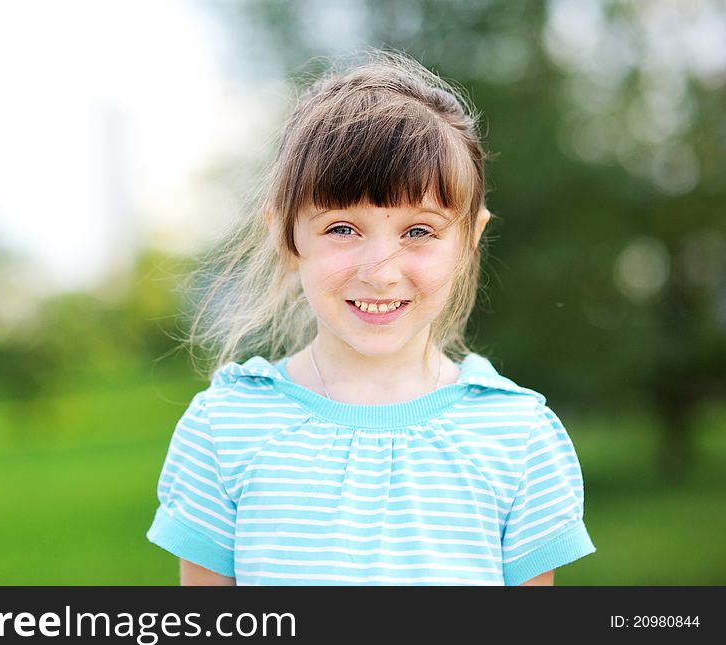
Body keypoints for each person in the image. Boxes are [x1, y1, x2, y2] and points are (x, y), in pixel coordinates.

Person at [146, 50, 596, 585]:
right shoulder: (224, 429)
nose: (380, 272)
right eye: (342, 229)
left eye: (419, 231)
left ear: (469, 241)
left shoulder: (518, 438)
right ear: (286, 234)